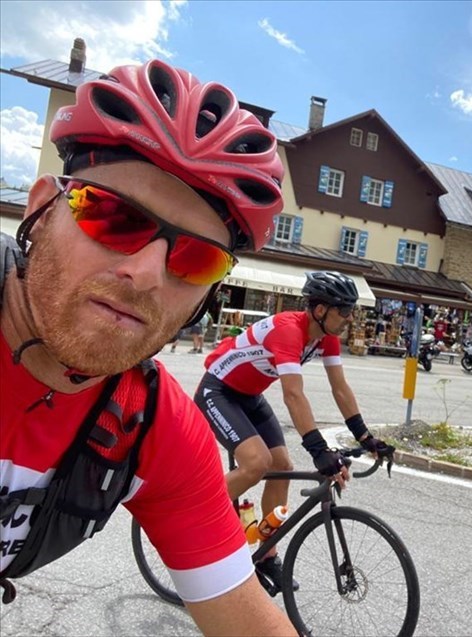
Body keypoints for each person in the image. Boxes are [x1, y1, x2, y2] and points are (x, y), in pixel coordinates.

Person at [0, 59, 298, 634]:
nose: (147, 273)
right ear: (40, 210)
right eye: (112, 216)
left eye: (195, 258)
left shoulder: (152, 427)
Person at [194, 271, 394, 592]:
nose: (349, 318)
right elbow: (293, 394)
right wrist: (318, 451)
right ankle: (190, 519)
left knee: (282, 467)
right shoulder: (289, 331)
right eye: (344, 310)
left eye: (351, 310)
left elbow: (339, 388)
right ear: (320, 310)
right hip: (218, 391)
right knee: (256, 464)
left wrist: (366, 438)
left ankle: (264, 555)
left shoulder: (326, 338)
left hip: (249, 397)